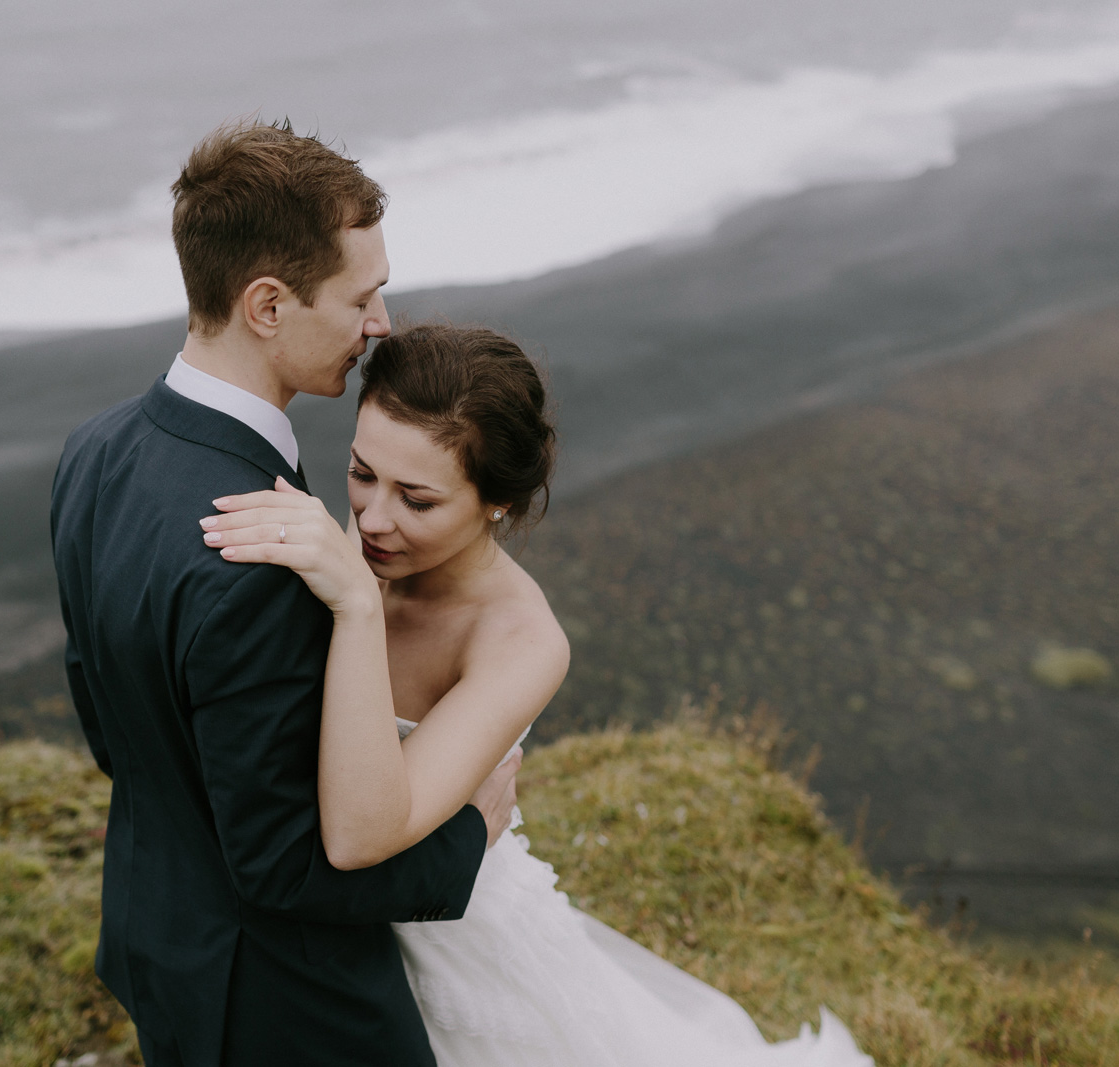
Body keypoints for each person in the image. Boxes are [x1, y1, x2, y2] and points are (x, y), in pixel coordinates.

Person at [202, 322, 876, 1066]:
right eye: (362, 472)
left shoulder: (522, 641)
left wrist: (357, 605)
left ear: (495, 501)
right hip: (313, 939)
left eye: (418, 500)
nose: (371, 517)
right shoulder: (356, 545)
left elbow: (363, 834)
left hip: (460, 951)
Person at [49, 123, 521, 1067]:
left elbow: (114, 729)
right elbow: (284, 863)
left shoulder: (94, 453)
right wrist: (472, 831)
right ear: (268, 304)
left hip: (158, 937)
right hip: (284, 1007)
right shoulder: (265, 553)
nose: (380, 322)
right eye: (361, 295)